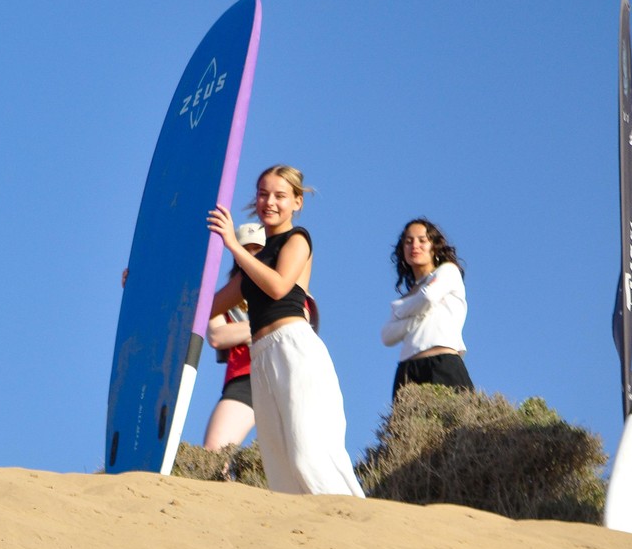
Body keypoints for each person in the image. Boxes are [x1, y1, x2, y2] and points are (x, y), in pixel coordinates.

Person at [207, 166, 363, 496]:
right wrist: (143, 286)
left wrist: (234, 246)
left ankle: (353, 525)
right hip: (261, 359)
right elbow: (207, 308)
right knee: (281, 466)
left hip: (294, 348)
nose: (270, 202)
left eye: (280, 195)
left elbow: (279, 286)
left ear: (297, 202)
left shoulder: (298, 239)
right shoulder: (255, 261)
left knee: (310, 453)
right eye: (263, 194)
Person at [381, 218, 474, 401]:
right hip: (407, 372)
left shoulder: (448, 271)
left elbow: (428, 296)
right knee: (408, 428)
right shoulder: (405, 298)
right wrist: (419, 314)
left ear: (434, 247)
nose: (415, 245)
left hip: (443, 364)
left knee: (455, 426)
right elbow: (387, 335)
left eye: (422, 240)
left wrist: (401, 312)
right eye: (408, 241)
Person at [203, 222, 263, 451]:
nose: (251, 255)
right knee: (214, 452)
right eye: (245, 249)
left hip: (284, 372)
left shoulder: (286, 282)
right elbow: (217, 335)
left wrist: (243, 332)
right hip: (244, 377)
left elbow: (300, 321)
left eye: (257, 249)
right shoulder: (221, 298)